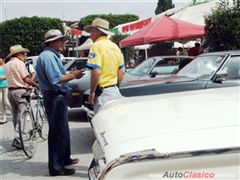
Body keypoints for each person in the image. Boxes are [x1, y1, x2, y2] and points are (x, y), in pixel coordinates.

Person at [35, 29, 84, 176]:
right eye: (60, 40)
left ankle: (64, 159)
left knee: (62, 130)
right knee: (57, 132)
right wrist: (73, 75)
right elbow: (56, 79)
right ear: (52, 42)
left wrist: (70, 74)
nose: (63, 43)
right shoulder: (48, 57)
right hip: (54, 97)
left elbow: (58, 76)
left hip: (56, 96)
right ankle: (56, 167)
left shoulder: (49, 56)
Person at [84, 18, 125, 113]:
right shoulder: (115, 46)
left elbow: (96, 72)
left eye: (91, 31)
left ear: (97, 31)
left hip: (103, 93)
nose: (90, 35)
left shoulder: (96, 46)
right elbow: (121, 72)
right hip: (115, 91)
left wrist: (92, 92)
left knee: (103, 125)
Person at [4, 45, 39, 148]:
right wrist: (36, 84)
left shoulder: (7, 64)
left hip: (10, 91)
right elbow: (25, 78)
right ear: (18, 54)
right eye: (23, 54)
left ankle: (18, 137)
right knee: (23, 114)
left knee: (16, 115)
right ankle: (18, 138)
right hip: (20, 91)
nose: (24, 56)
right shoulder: (19, 63)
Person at [0, 58, 12, 124]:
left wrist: (3, 77)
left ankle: (15, 113)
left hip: (5, 85)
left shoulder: (5, 66)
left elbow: (9, 74)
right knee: (0, 102)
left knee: (6, 101)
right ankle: (4, 118)